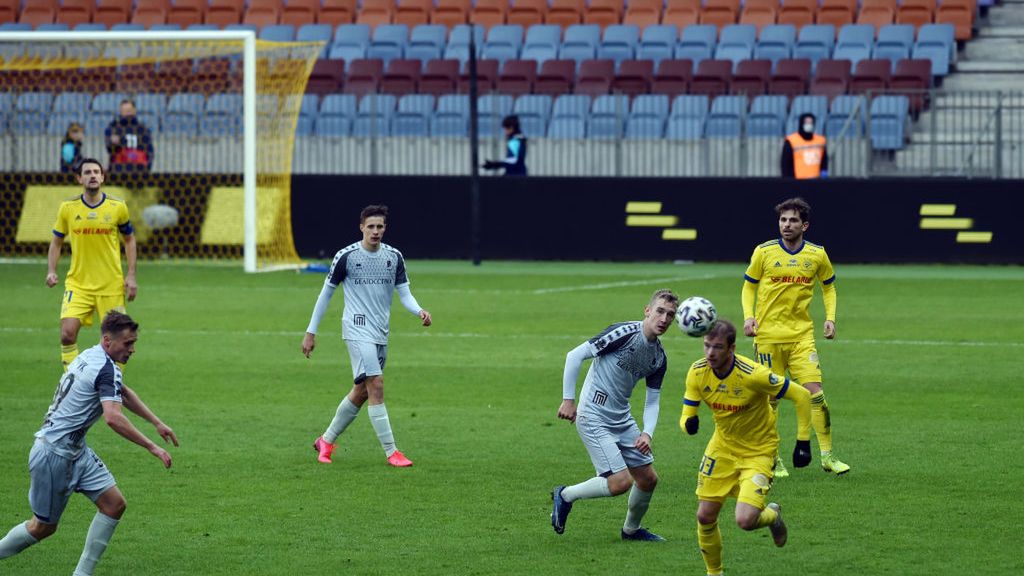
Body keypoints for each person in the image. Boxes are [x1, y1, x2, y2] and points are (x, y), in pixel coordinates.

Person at [0, 311, 178, 576]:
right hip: (54, 454)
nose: (132, 349)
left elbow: (123, 392)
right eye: (128, 344)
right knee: (42, 527)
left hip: (75, 450)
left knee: (114, 504)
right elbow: (113, 418)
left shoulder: (91, 356)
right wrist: (152, 446)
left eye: (133, 343)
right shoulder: (106, 369)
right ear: (108, 341)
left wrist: (156, 422)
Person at [302, 204, 432, 468]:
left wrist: (419, 310)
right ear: (361, 227)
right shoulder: (346, 256)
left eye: (380, 227)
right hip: (356, 328)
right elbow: (325, 294)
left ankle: (325, 440)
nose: (375, 231)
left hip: (380, 331)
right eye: (370, 226)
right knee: (377, 384)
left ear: (385, 228)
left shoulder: (394, 257)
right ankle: (391, 452)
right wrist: (310, 332)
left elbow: (404, 292)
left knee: (361, 392)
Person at [680, 319, 812, 576]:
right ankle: (714, 573)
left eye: (717, 347)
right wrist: (689, 423)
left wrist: (803, 442)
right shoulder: (697, 372)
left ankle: (772, 516)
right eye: (707, 346)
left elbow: (801, 395)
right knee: (705, 516)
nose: (710, 353)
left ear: (732, 348)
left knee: (745, 520)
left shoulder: (753, 374)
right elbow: (686, 415)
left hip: (758, 452)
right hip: (721, 449)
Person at [550, 289, 678, 542]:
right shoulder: (623, 333)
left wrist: (647, 433)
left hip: (621, 418)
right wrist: (568, 400)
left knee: (648, 479)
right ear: (648, 310)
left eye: (670, 315)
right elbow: (575, 355)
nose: (664, 319)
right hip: (593, 415)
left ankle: (631, 531)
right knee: (620, 482)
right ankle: (565, 495)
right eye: (660, 311)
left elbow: (653, 400)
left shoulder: (659, 358)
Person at [742, 197, 849, 478]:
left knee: (816, 394)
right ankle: (772, 457)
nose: (786, 225)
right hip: (767, 338)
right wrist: (748, 316)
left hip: (802, 337)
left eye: (792, 220)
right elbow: (748, 287)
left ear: (805, 225)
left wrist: (830, 318)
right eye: (782, 220)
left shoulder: (816, 254)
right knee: (770, 401)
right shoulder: (764, 252)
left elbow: (829, 288)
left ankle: (827, 456)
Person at [47, 158, 138, 371]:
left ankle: (112, 385)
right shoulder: (68, 208)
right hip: (78, 284)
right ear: (79, 178)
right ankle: (73, 381)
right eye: (87, 172)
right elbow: (56, 241)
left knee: (118, 342)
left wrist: (131, 275)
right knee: (67, 334)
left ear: (103, 177)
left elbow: (130, 239)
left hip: (111, 286)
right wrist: (51, 270)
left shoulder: (117, 207)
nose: (93, 175)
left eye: (97, 172)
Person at [104, 99, 153, 174]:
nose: (127, 113)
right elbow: (109, 149)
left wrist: (147, 169)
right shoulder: (113, 127)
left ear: (134, 110)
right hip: (118, 170)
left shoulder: (142, 129)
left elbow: (149, 151)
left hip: (138, 170)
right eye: (124, 110)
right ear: (120, 112)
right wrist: (112, 143)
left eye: (129, 110)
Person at [781, 113, 828, 179]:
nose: (809, 125)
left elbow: (824, 161)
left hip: (816, 182)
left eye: (811, 123)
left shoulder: (820, 141)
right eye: (806, 123)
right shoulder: (791, 141)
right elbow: (785, 164)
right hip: (798, 183)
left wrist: (824, 176)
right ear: (801, 124)